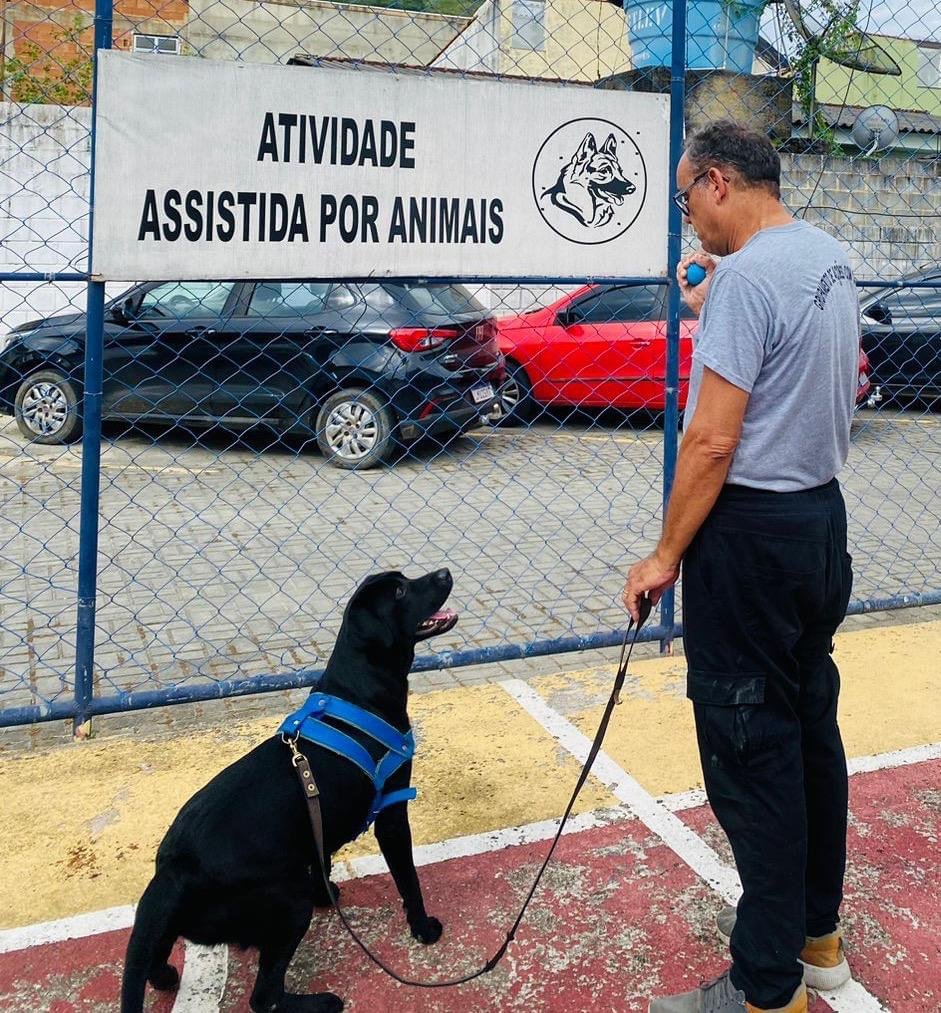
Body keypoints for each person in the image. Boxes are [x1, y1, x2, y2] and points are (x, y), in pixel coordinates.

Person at [623, 121, 859, 1013]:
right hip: (816, 526)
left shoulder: (748, 280)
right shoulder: (824, 257)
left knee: (750, 755)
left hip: (750, 540)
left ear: (717, 181)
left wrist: (662, 555)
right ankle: (816, 940)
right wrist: (714, 300)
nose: (691, 225)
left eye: (687, 202)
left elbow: (712, 438)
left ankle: (767, 992)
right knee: (806, 733)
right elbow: (780, 330)